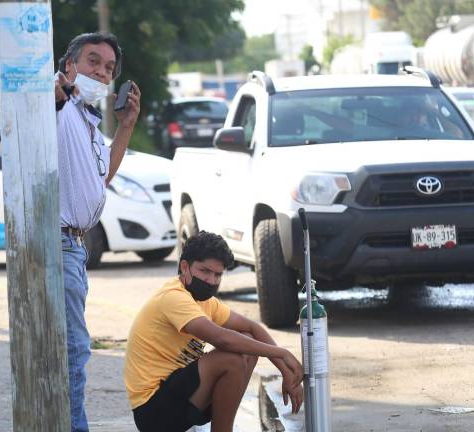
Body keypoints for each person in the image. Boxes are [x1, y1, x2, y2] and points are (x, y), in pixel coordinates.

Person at [124, 231, 304, 432]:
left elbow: (252, 328)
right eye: (204, 271)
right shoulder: (173, 297)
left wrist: (285, 370)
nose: (210, 280)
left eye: (217, 275)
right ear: (185, 267)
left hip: (182, 399)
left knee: (247, 343)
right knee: (230, 359)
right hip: (152, 411)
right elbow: (222, 339)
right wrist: (282, 353)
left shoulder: (207, 302)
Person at [54, 32, 141, 432]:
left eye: (109, 68)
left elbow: (102, 174)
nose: (102, 73)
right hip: (58, 244)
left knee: (72, 349)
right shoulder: (60, 106)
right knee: (74, 350)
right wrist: (58, 90)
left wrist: (127, 125)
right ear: (69, 65)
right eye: (93, 61)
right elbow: (45, 97)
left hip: (76, 247)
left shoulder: (85, 119)